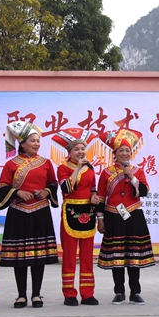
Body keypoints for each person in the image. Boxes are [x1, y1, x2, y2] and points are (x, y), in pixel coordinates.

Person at [0, 121, 59, 309]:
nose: (36, 144)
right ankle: (21, 295)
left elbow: (53, 183)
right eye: (33, 141)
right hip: (19, 213)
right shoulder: (11, 164)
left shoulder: (46, 163)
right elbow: (1, 187)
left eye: (38, 141)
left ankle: (36, 294)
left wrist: (47, 191)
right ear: (22, 143)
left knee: (38, 255)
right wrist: (17, 192)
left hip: (40, 211)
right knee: (20, 256)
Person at [96, 128, 155, 305]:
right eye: (121, 150)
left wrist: (132, 177)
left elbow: (143, 191)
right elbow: (101, 197)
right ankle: (119, 291)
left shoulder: (137, 171)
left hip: (134, 215)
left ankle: (135, 292)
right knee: (117, 256)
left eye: (127, 151)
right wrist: (100, 219)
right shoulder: (106, 173)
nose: (124, 153)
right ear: (114, 154)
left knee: (133, 255)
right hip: (113, 216)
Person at [52, 127, 104, 306]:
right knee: (69, 255)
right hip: (71, 213)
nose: (81, 152)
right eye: (77, 149)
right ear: (69, 152)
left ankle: (88, 293)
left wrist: (94, 195)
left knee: (87, 255)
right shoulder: (62, 168)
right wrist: (78, 168)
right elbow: (66, 188)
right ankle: (69, 293)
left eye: (83, 149)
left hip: (87, 213)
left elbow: (92, 187)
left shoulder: (90, 168)